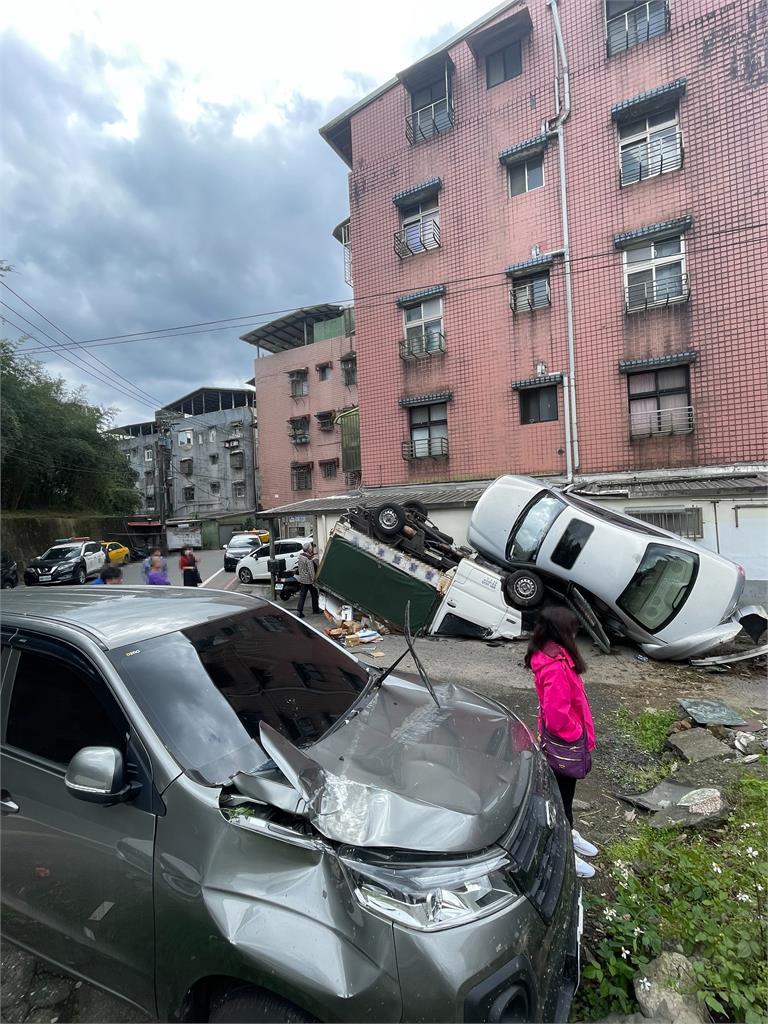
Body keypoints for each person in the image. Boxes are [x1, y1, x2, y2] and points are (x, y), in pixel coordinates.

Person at [525, 605, 598, 879]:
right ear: (562, 631)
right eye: (573, 628)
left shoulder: (556, 654)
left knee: (564, 796)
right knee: (561, 798)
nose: (576, 632)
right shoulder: (555, 666)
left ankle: (568, 832)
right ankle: (564, 850)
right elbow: (557, 717)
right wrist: (576, 733)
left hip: (562, 740)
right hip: (564, 743)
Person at [295, 540, 320, 618]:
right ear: (309, 549)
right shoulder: (308, 559)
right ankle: (315, 609)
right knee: (314, 594)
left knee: (302, 596)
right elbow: (311, 571)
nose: (312, 548)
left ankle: (299, 611)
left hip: (303, 580)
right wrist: (313, 581)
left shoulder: (301, 557)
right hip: (309, 581)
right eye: (311, 547)